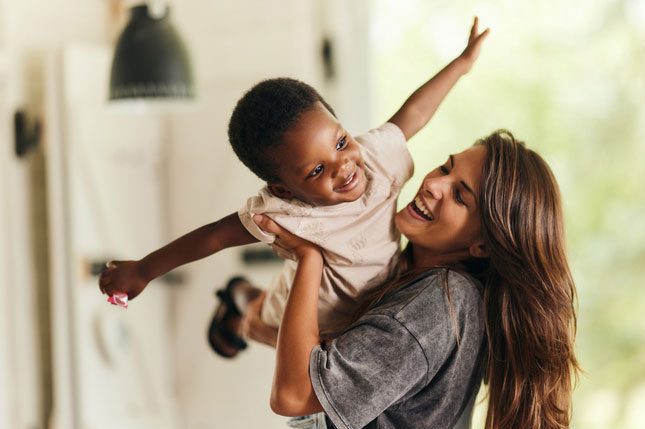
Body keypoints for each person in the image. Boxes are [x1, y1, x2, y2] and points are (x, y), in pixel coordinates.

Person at [98, 17, 491, 358]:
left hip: (360, 313)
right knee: (257, 317)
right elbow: (216, 236)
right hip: (296, 311)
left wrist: (462, 64)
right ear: (284, 190)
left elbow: (415, 113)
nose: (343, 167)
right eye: (317, 169)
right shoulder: (285, 213)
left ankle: (239, 295)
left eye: (340, 142)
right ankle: (238, 298)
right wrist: (144, 270)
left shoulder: (374, 159)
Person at [248, 130, 580, 429]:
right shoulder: (435, 295)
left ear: (483, 244)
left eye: (459, 196)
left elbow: (294, 394)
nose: (434, 185)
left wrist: (308, 256)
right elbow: (339, 365)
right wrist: (257, 324)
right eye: (445, 168)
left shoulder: (441, 304)